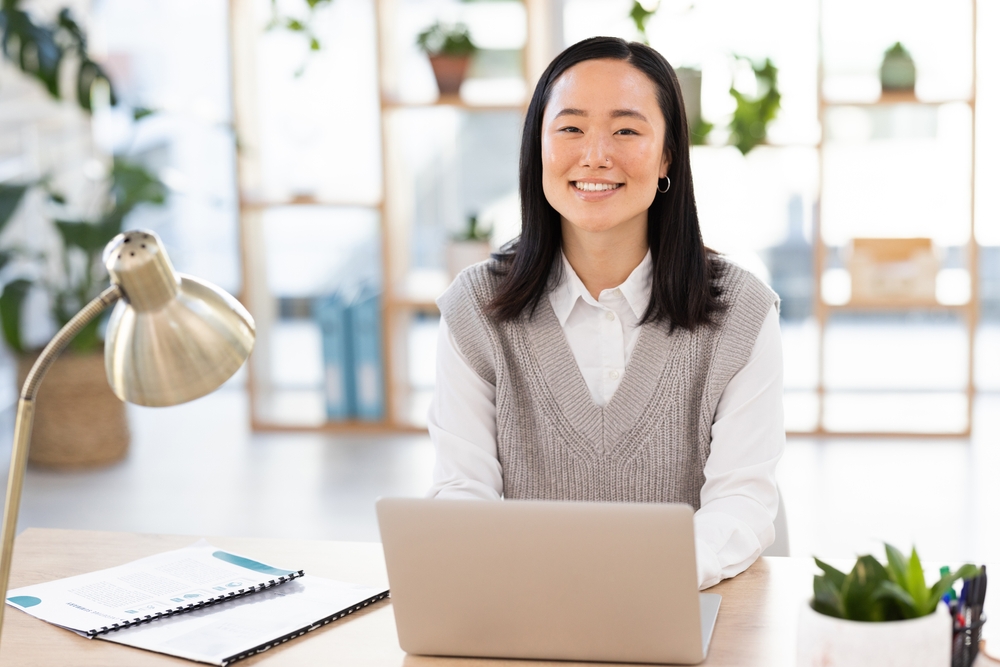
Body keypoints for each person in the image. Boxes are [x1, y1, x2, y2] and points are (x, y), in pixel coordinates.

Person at [427, 36, 784, 590]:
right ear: (538, 148)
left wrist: (637, 583)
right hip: (526, 615)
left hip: (681, 610)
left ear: (667, 154)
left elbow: (741, 502)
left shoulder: (742, 312)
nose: (595, 155)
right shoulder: (475, 308)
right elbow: (461, 491)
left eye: (626, 130)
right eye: (570, 128)